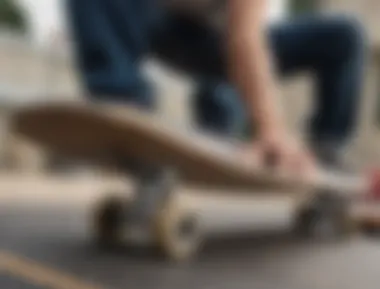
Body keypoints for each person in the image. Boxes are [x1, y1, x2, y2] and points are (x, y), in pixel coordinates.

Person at [64, 0, 367, 174]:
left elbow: (245, 38)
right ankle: (120, 94)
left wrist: (271, 131)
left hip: (217, 44)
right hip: (154, 22)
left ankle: (328, 146)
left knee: (345, 35)